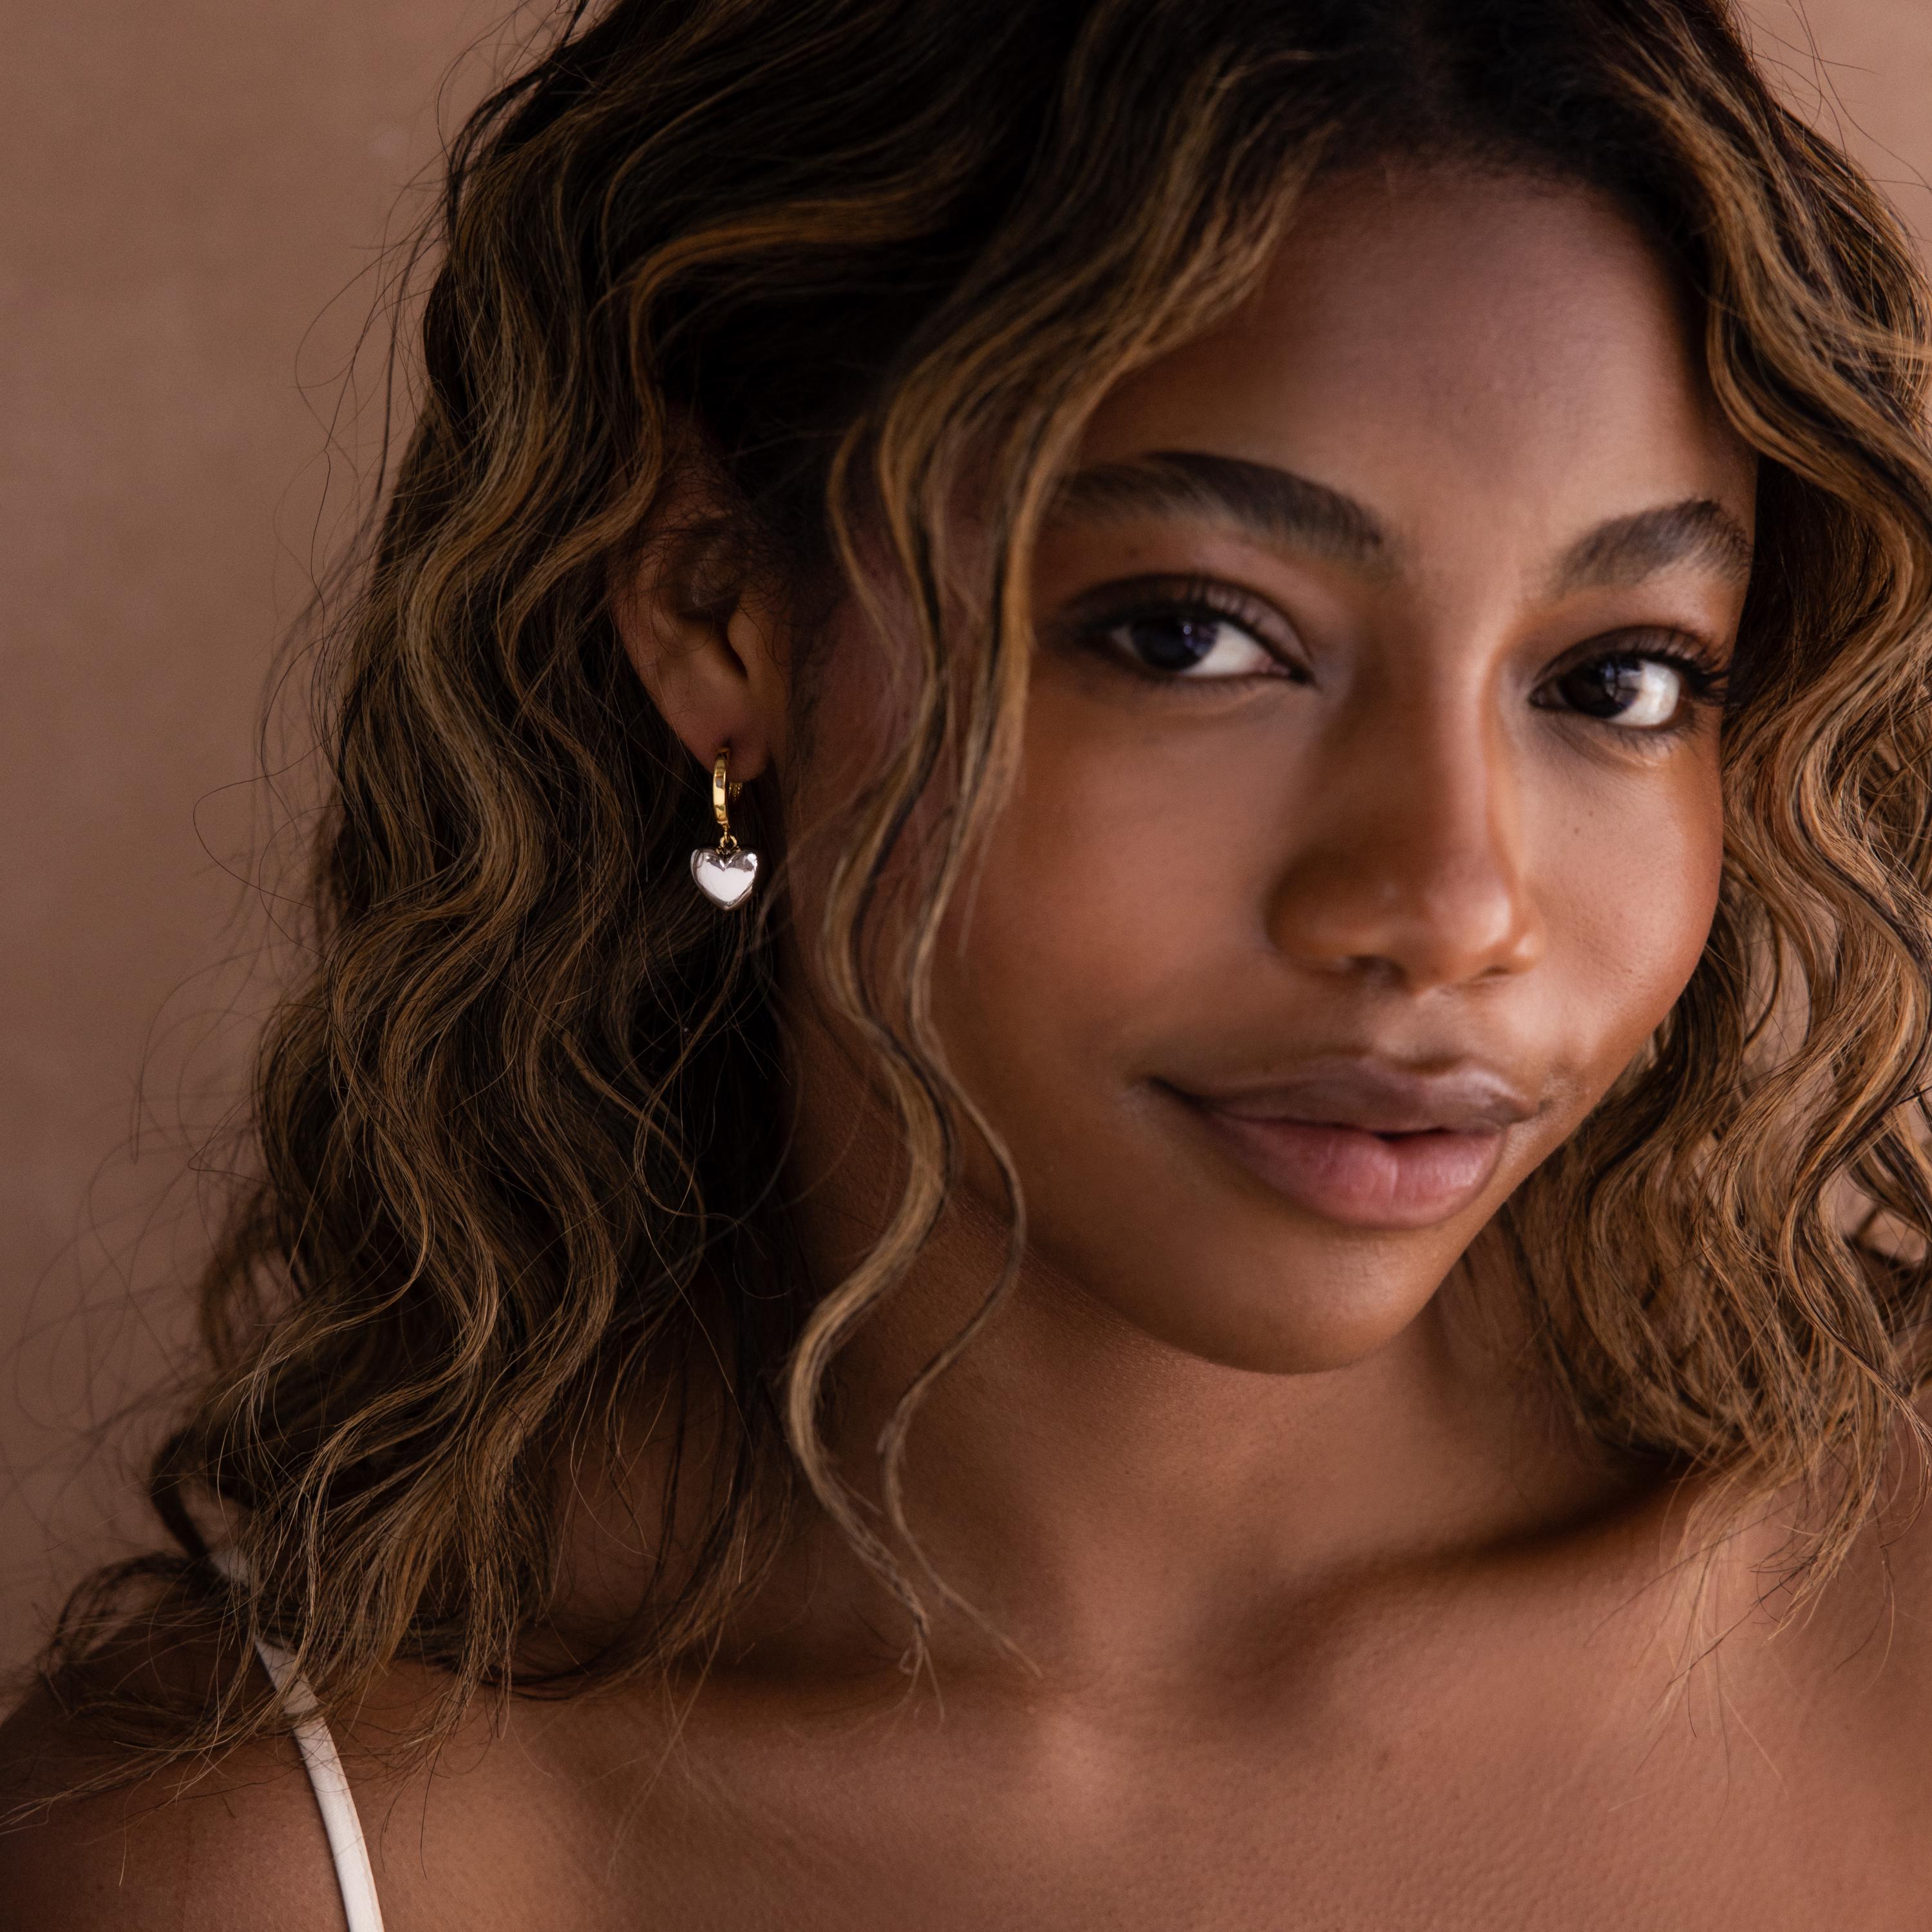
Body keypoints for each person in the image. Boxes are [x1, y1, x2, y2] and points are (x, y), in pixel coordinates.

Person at [8, 0, 1932, 1922]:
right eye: (1194, 637)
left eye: (1621, 680)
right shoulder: (289, 1865)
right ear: (719, 604)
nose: (1452, 905)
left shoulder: (1894, 1635)